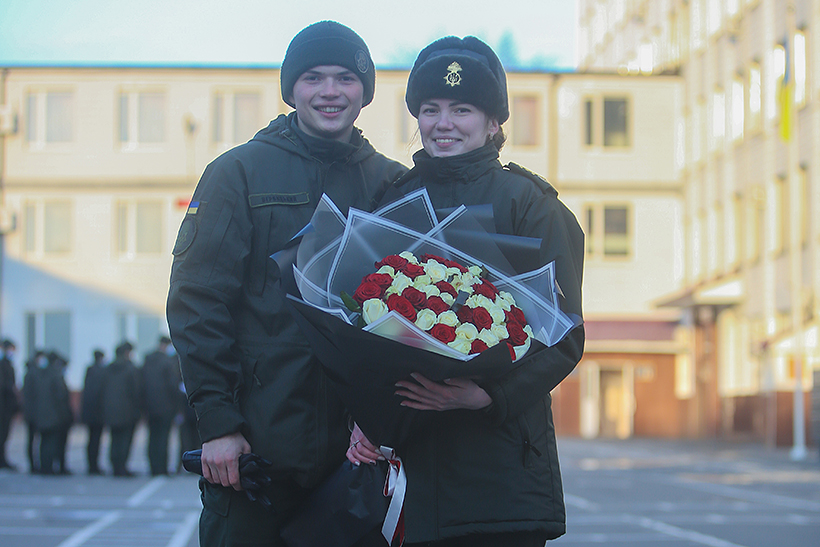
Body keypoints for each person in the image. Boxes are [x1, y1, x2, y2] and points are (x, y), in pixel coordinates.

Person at [166, 20, 406, 546]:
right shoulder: (239, 173)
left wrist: (384, 421)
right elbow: (197, 301)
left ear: (364, 90)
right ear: (291, 88)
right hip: (257, 449)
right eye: (313, 77)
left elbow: (405, 316)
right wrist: (220, 425)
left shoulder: (390, 182)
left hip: (355, 455)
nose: (329, 92)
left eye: (345, 77)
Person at [347, 36, 585, 546]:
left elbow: (562, 335)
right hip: (413, 465)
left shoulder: (530, 204)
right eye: (430, 109)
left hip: (500, 468)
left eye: (462, 108)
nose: (443, 122)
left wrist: (487, 395)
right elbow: (361, 324)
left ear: (494, 123)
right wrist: (367, 418)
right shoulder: (392, 201)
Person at [141, 336, 181, 476]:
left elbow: (142, 383)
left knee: (152, 437)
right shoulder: (167, 362)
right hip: (166, 406)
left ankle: (152, 467)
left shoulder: (147, 359)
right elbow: (172, 385)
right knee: (163, 438)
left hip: (150, 406)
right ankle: (162, 469)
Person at [102, 341, 141, 477]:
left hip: (110, 410)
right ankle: (122, 467)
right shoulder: (130, 369)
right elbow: (136, 391)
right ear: (127, 353)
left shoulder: (107, 369)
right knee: (125, 440)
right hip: (127, 411)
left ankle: (114, 466)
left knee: (114, 439)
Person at [34, 351, 74, 475]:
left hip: (42, 414)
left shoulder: (40, 374)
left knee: (44, 442)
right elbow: (61, 398)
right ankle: (49, 468)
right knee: (52, 443)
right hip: (55, 416)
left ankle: (45, 466)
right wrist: (66, 415)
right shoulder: (56, 376)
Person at [81, 349, 107, 475]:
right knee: (95, 440)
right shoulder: (100, 372)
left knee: (91, 440)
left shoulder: (89, 370)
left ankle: (91, 465)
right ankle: (94, 466)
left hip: (89, 412)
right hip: (97, 413)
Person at [0, 339, 20, 470]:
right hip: (3, 406)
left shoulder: (8, 364)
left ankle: (3, 459)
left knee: (4, 435)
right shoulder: (3, 365)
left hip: (7, 407)